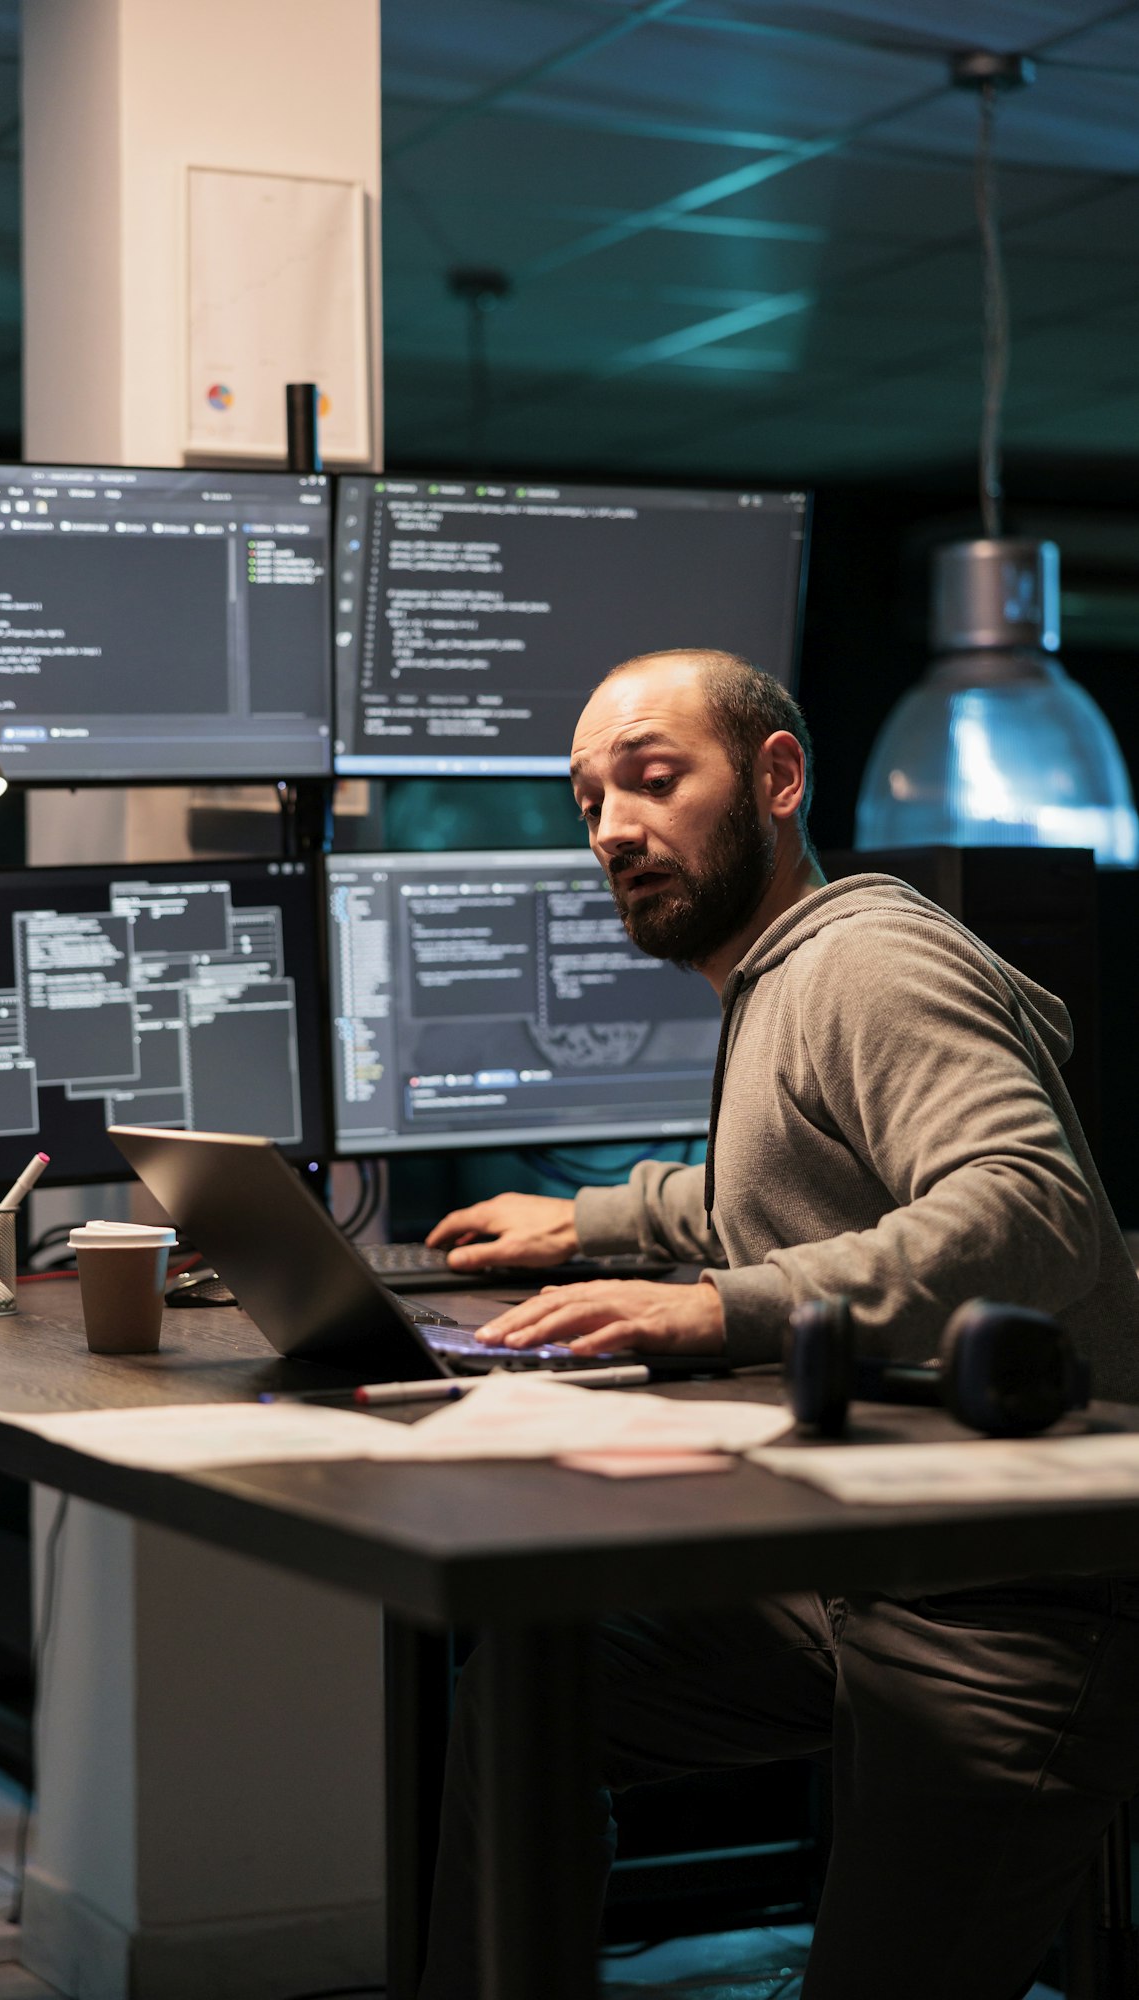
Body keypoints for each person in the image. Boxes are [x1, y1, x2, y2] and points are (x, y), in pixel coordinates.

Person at [415, 648, 1139, 2000]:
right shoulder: (778, 981)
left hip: (1021, 1596)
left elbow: (1026, 1206)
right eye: (587, 806)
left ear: (776, 778)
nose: (613, 832)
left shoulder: (862, 960)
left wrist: (714, 1309)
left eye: (649, 780)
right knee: (536, 1685)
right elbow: (794, 1188)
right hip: (860, 1566)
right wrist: (601, 1220)